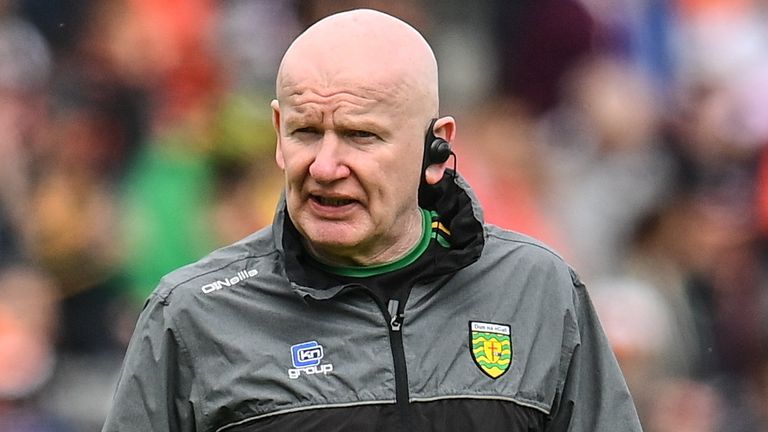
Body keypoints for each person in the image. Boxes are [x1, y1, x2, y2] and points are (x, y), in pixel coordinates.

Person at [102, 8, 642, 432]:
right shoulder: (192, 315)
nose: (326, 166)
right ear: (277, 131)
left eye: (362, 136)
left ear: (436, 146)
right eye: (306, 131)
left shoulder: (539, 292)